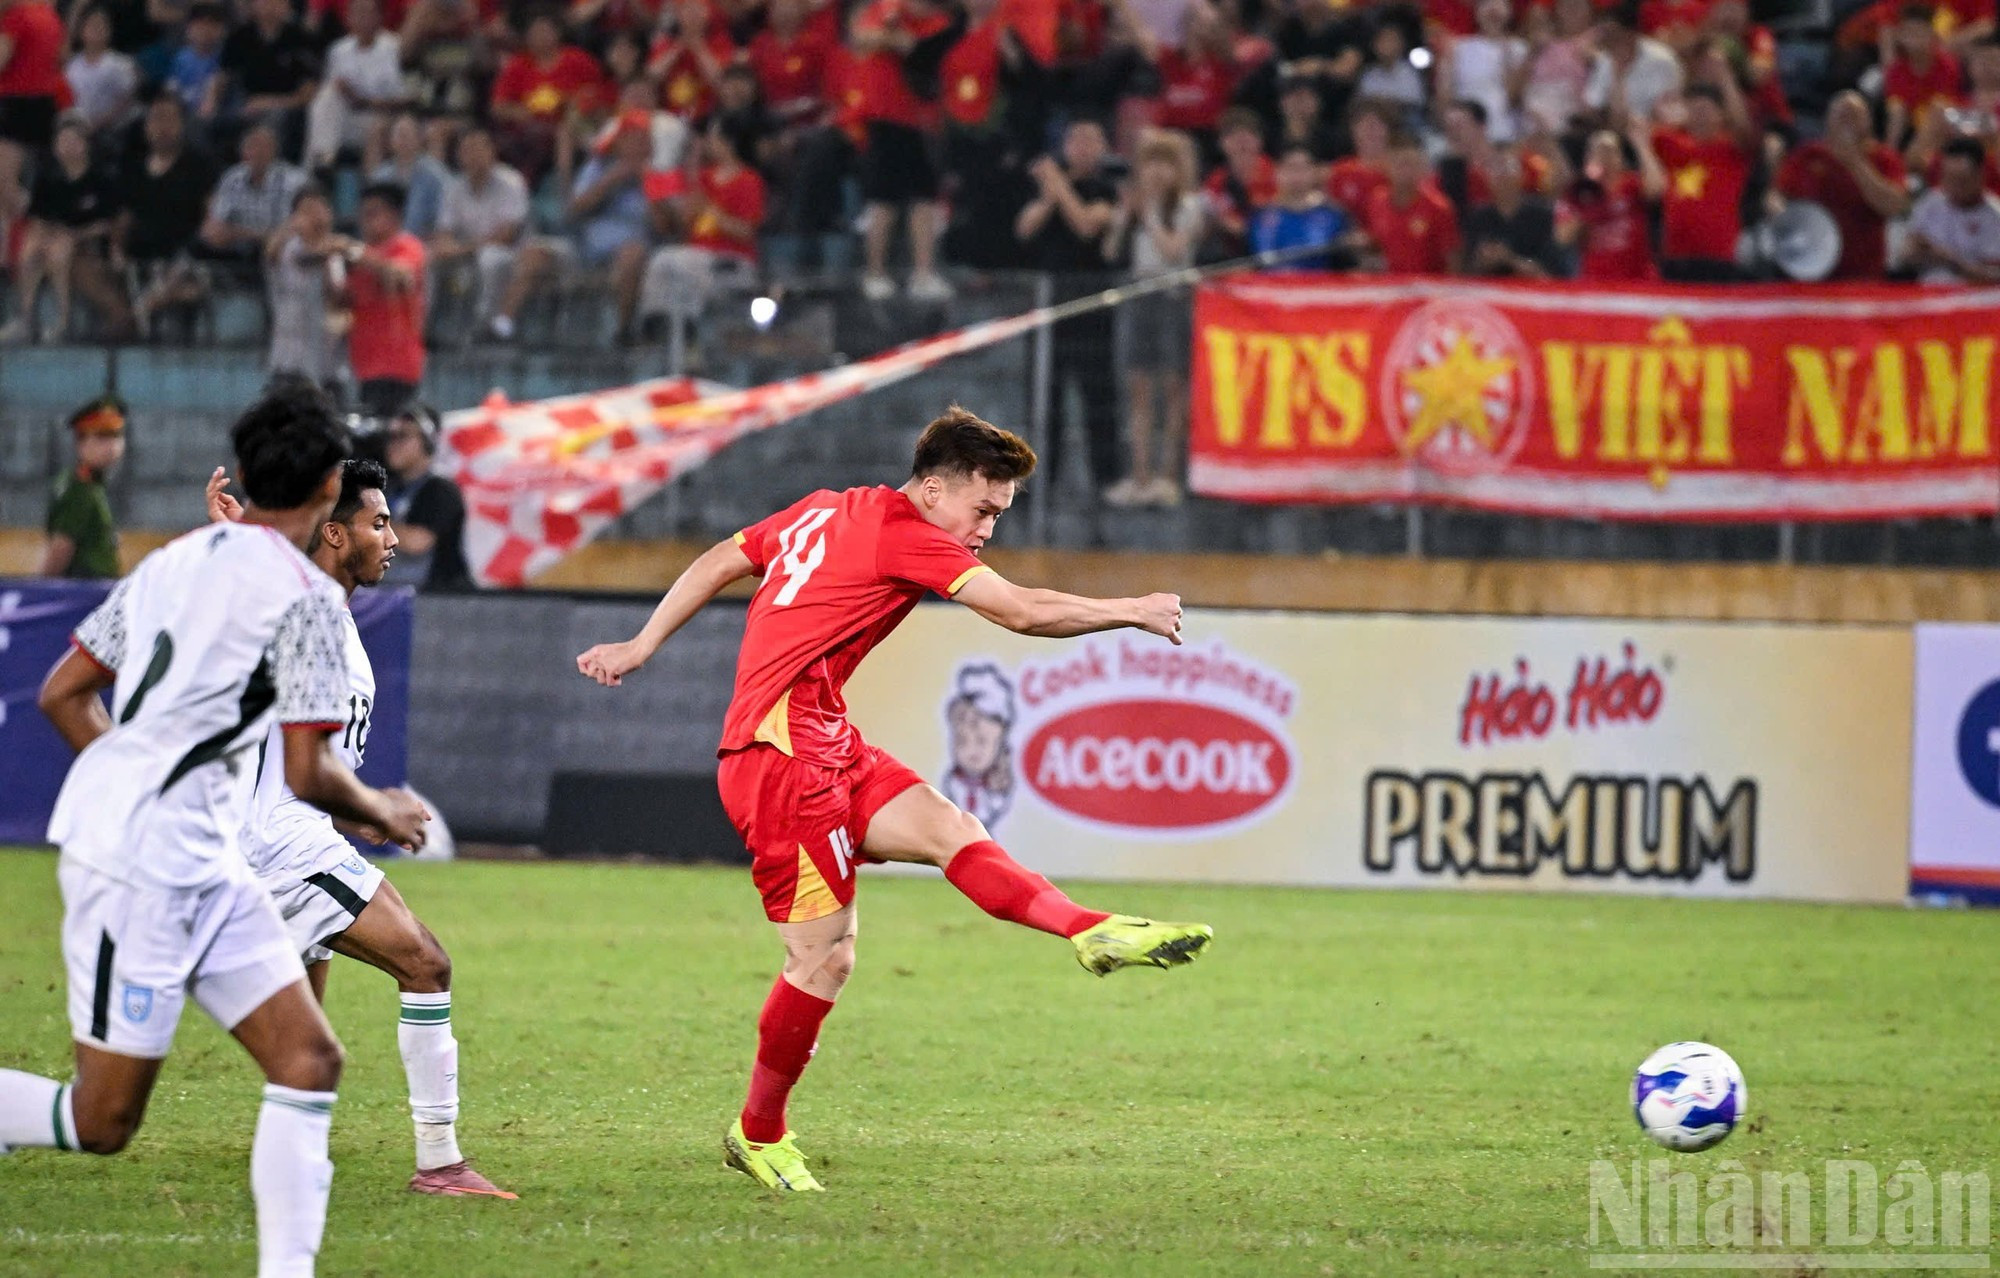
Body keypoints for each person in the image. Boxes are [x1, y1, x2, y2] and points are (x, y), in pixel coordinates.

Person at [574, 406, 1213, 1193]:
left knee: (951, 828)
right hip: (779, 763)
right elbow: (1019, 611)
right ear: (936, 488)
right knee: (823, 958)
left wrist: (641, 645)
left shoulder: (821, 508)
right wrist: (1130, 610)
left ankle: (1088, 930)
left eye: (999, 517)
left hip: (825, 740)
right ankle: (757, 1133)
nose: (985, 530)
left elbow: (720, 558)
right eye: (982, 510)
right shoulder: (906, 533)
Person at [1, 381, 428, 1278]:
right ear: (324, 486)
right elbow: (312, 772)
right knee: (101, 1121)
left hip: (207, 860)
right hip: (137, 867)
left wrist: (133, 775)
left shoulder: (172, 559)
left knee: (308, 1059)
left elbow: (62, 694)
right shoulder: (309, 602)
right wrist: (384, 809)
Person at [202, 457, 512, 1199]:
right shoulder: (309, 615)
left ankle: (292, 1157)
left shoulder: (326, 612)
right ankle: (441, 1163)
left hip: (290, 836)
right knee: (425, 964)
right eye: (378, 523)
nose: (393, 538)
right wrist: (377, 810)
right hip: (277, 846)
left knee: (299, 1037)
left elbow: (306, 756)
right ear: (336, 535)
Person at [1105, 128, 1203, 509]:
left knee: (1174, 389)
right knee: (1139, 390)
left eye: (1167, 164)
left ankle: (1168, 476)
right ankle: (1140, 475)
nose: (1158, 172)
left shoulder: (1190, 207)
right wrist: (1122, 218)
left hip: (1173, 299)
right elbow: (1112, 251)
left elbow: (1174, 250)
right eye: (1151, 163)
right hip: (1138, 298)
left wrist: (1148, 214)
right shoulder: (1133, 207)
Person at [850, 0, 960, 302]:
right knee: (882, 198)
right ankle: (874, 273)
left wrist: (894, 40)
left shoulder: (939, 21)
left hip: (921, 121)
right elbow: (862, 37)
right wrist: (894, 39)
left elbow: (920, 51)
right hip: (884, 117)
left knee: (924, 197)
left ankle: (923, 274)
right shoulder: (887, 8)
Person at [2, 114, 120, 343]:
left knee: (60, 251)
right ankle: (26, 319)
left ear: (85, 145)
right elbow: (37, 216)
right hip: (53, 235)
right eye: (62, 140)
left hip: (87, 240)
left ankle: (64, 320)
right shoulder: (48, 178)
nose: (66, 146)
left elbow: (108, 222)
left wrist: (76, 234)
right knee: (31, 251)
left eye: (73, 140)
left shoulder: (100, 179)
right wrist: (45, 235)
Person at [1774, 90, 1909, 281]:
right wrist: (1778, 209)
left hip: (1863, 272)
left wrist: (1854, 161)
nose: (1847, 122)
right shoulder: (1808, 155)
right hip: (1810, 267)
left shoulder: (1884, 159)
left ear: (1868, 122)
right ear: (1828, 120)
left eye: (1854, 116)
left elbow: (1894, 206)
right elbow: (1778, 193)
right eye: (1841, 115)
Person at [1632, 82, 1756, 281]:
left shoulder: (1731, 149)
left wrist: (1724, 78)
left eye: (1706, 110)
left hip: (1719, 256)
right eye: (1695, 109)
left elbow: (1744, 127)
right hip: (1676, 256)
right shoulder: (1669, 143)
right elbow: (1636, 126)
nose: (1700, 115)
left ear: (1721, 114)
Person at [342, 182, 427, 417]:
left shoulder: (406, 246)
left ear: (395, 215)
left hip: (396, 364)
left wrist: (355, 252)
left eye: (373, 213)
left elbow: (401, 274)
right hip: (365, 364)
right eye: (363, 214)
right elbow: (343, 301)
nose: (366, 221)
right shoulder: (363, 255)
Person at [380, 402, 472, 591]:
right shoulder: (389, 488)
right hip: (397, 595)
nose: (393, 444)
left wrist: (364, 524)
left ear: (428, 442)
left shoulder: (441, 490)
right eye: (391, 437)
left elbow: (418, 542)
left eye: (403, 436)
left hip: (441, 600)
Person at [303, 0, 405, 171]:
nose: (362, 18)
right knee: (327, 97)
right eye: (357, 13)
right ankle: (321, 163)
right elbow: (328, 98)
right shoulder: (337, 50)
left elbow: (402, 98)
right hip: (345, 119)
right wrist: (345, 94)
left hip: (381, 117)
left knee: (375, 127)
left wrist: (361, 100)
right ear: (348, 18)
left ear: (379, 17)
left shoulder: (393, 47)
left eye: (367, 12)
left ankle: (372, 189)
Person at [266, 185, 347, 389]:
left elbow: (338, 298)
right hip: (289, 363)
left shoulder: (336, 254)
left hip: (326, 365)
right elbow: (296, 257)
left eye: (322, 210)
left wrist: (330, 254)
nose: (317, 217)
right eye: (309, 211)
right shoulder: (288, 248)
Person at [1556, 127, 1663, 281]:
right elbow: (1563, 237)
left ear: (1620, 157)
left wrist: (1642, 147)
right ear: (1588, 159)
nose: (1604, 157)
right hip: (1596, 278)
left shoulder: (1631, 184)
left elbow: (1657, 189)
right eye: (1598, 152)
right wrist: (1587, 207)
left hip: (1638, 276)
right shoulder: (1577, 192)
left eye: (1610, 151)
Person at [40, 396, 126, 578]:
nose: (112, 446)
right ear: (81, 443)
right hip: (83, 590)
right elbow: (61, 547)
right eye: (102, 437)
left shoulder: (94, 486)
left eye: (116, 436)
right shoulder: (79, 488)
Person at [1904, 135, 2000, 283]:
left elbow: (1994, 276)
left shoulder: (1994, 216)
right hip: (1928, 292)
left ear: (1980, 175)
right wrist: (1915, 252)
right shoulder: (1930, 203)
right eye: (1947, 178)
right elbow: (1906, 255)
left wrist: (1950, 260)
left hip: (1973, 296)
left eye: (1960, 180)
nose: (1952, 187)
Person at [1361, 132, 1459, 274]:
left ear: (1422, 168)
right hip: (1389, 286)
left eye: (1411, 164)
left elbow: (1452, 259)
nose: (1405, 171)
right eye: (1399, 164)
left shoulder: (1438, 207)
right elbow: (1375, 244)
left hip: (1428, 287)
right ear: (1387, 166)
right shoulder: (1376, 201)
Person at [1249, 142, 1352, 270]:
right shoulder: (1261, 215)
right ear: (1277, 172)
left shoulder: (1333, 215)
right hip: (1271, 286)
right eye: (1290, 168)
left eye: (1302, 168)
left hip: (1317, 287)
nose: (1296, 176)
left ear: (1314, 172)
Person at [1463, 147, 1563, 277]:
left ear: (1520, 177)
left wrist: (1510, 259)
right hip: (1489, 289)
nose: (1503, 178)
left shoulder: (1542, 216)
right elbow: (1468, 270)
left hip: (1530, 290)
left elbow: (1549, 271)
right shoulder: (1478, 217)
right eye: (1497, 173)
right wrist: (1484, 260)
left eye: (1508, 171)